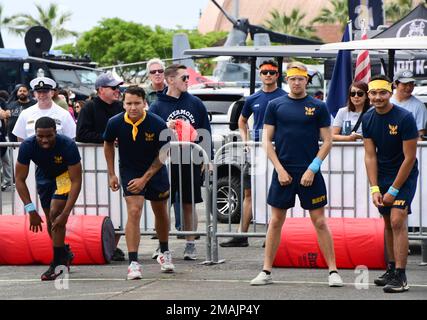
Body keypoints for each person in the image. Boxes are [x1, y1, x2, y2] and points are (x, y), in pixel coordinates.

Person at [250, 62, 343, 287]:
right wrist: (280, 169)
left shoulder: (318, 106)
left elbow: (327, 141)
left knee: (319, 221)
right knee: (275, 221)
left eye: (300, 78)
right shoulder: (275, 105)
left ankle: (333, 271)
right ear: (287, 80)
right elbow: (266, 140)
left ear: (306, 81)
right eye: (292, 78)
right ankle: (266, 271)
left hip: (310, 170)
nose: (296, 82)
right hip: (284, 171)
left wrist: (313, 168)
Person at [103, 86, 174, 279]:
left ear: (144, 103)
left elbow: (164, 153)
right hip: (130, 170)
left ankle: (164, 252)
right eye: (129, 103)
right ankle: (133, 263)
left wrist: (145, 178)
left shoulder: (157, 123)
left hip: (155, 169)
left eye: (137, 103)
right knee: (134, 210)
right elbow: (108, 143)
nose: (133, 107)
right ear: (123, 103)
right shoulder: (115, 122)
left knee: (160, 211)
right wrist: (111, 174)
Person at [220, 60, 287, 248]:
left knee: (275, 194)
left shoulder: (284, 97)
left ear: (277, 75)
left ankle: (272, 234)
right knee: (249, 192)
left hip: (277, 150)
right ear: (260, 74)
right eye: (264, 72)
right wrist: (246, 140)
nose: (268, 75)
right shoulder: (252, 99)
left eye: (271, 72)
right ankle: (242, 235)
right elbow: (242, 121)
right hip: (256, 150)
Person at [362, 75, 419, 293]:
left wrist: (394, 189)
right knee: (387, 222)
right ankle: (392, 269)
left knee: (397, 220)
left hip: (404, 175)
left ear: (390, 92)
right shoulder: (367, 118)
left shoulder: (404, 118)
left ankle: (402, 277)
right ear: (369, 95)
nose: (378, 97)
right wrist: (374, 187)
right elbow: (370, 156)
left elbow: (410, 158)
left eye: (382, 93)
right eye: (373, 93)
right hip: (383, 174)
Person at [150, 64, 212, 261]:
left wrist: (206, 158)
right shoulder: (157, 106)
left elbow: (205, 131)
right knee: (162, 203)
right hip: (164, 161)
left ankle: (190, 244)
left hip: (189, 160)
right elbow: (150, 135)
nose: (188, 81)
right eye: (184, 78)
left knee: (189, 202)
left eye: (188, 78)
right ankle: (162, 245)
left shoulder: (195, 103)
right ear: (170, 80)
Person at [15, 117, 82, 281]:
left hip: (64, 176)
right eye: (40, 136)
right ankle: (64, 253)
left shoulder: (67, 145)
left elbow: (76, 181)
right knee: (51, 223)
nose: (44, 140)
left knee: (55, 213)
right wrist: (31, 210)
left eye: (49, 136)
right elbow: (19, 179)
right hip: (44, 177)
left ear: (56, 132)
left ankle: (58, 264)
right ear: (35, 134)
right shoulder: (28, 146)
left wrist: (66, 214)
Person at [76, 72, 126, 261]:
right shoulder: (89, 108)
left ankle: (112, 246)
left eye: (118, 87)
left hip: (119, 165)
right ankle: (100, 246)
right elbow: (81, 134)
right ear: (100, 90)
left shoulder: (122, 107)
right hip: (93, 166)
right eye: (113, 88)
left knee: (119, 208)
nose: (117, 91)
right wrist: (108, 139)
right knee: (98, 206)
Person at [12, 77, 76, 142]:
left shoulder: (64, 114)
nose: (42, 95)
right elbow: (20, 139)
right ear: (34, 94)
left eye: (45, 92)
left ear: (52, 93)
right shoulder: (25, 113)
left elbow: (71, 139)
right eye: (39, 92)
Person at [390, 69, 427, 139]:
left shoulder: (419, 106)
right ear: (395, 84)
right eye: (404, 84)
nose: (409, 87)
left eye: (411, 83)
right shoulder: (386, 102)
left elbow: (420, 136)